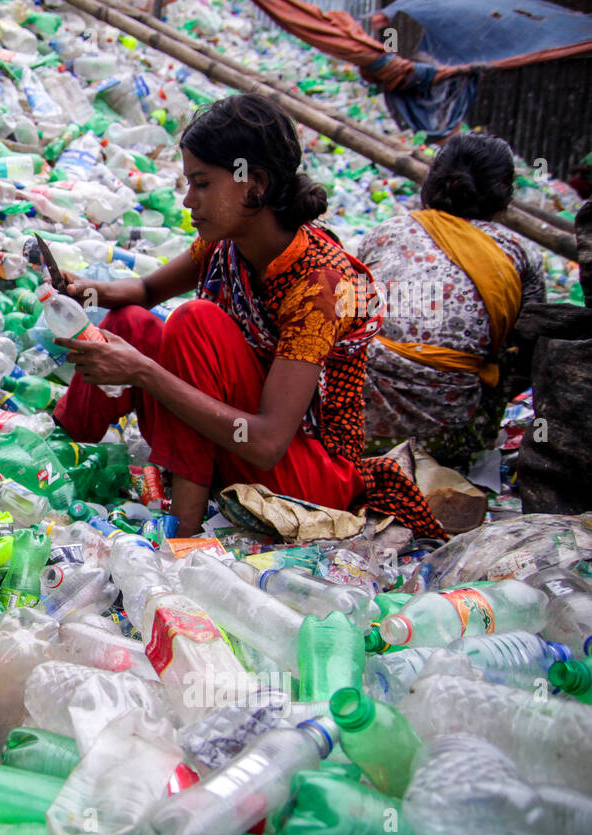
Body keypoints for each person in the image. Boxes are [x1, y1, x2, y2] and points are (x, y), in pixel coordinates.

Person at [52, 93, 445, 539]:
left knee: (193, 322)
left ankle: (182, 531)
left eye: (201, 184)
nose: (187, 201)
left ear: (253, 183)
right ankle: (62, 454)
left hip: (300, 472)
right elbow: (145, 290)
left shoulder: (321, 285)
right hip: (233, 435)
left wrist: (142, 373)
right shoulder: (227, 243)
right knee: (130, 323)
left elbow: (266, 442)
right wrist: (86, 291)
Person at [359, 132, 546, 468]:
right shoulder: (520, 254)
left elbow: (351, 322)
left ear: (432, 180)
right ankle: (474, 445)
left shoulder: (386, 232)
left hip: (354, 422)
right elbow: (531, 347)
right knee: (507, 351)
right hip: (444, 438)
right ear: (503, 193)